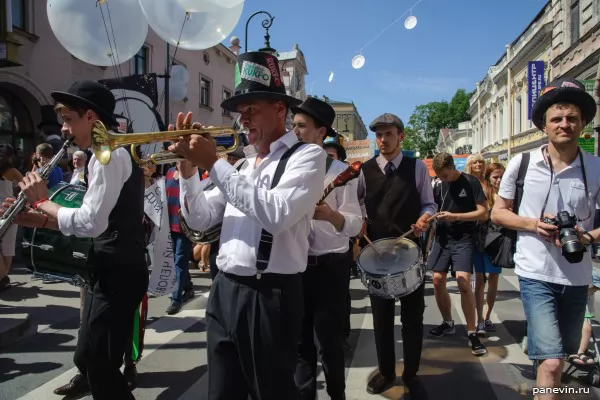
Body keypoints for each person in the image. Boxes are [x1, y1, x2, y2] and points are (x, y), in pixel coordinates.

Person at [169, 51, 326, 400]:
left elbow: (277, 214)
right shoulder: (242, 166)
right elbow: (200, 220)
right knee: (222, 393)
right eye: (240, 114)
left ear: (280, 109)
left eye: (251, 110)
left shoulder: (307, 156)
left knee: (271, 393)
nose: (243, 121)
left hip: (270, 294)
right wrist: (189, 171)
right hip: (225, 289)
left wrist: (213, 161)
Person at [4, 80, 148, 399]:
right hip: (106, 266)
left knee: (102, 365)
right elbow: (91, 217)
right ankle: (87, 381)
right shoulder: (101, 154)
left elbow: (91, 222)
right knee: (89, 353)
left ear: (91, 118)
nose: (65, 130)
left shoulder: (109, 155)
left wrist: (42, 201)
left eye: (69, 119)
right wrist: (40, 219)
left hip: (120, 270)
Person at [492, 78, 600, 400]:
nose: (564, 124)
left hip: (577, 276)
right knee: (552, 363)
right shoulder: (521, 163)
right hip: (535, 272)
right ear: (544, 125)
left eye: (572, 118)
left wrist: (587, 236)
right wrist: (532, 224)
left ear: (583, 124)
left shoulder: (595, 167)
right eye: (556, 118)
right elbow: (498, 213)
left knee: (561, 356)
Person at [358, 113, 436, 398]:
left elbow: (429, 203)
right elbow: (356, 207)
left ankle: (411, 373)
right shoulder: (364, 169)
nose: (383, 140)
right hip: (377, 255)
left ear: (401, 136)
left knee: (413, 319)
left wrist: (424, 218)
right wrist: (359, 223)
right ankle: (387, 371)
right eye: (378, 135)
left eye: (389, 134)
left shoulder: (416, 168)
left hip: (409, 255)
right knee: (381, 319)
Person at [291, 97, 362, 400]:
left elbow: (356, 224)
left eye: (302, 127)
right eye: (293, 125)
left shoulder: (340, 171)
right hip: (294, 266)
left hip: (330, 267)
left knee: (330, 343)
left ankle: (336, 394)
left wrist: (332, 216)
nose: (295, 132)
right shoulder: (287, 167)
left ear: (321, 132)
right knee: (299, 343)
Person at [428, 153, 488, 356]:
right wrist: (424, 221)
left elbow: (483, 212)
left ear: (453, 167)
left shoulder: (470, 182)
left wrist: (456, 216)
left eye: (445, 175)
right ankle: (447, 322)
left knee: (463, 282)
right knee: (437, 280)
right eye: (439, 176)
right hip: (443, 238)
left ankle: (472, 332)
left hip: (464, 238)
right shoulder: (437, 184)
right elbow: (431, 208)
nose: (442, 179)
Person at [474, 162, 505, 334]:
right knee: (479, 280)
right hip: (480, 240)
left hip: (498, 242)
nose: (499, 181)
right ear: (488, 177)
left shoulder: (506, 194)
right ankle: (479, 319)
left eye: (501, 177)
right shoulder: (482, 192)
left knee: (493, 278)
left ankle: (487, 316)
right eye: (495, 177)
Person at [164, 164, 195, 315]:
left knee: (179, 262)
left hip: (185, 226)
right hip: (170, 225)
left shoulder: (192, 171)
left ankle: (176, 300)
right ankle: (188, 288)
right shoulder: (169, 172)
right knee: (178, 262)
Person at [0, 143, 23, 291]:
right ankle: (3, 277)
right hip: (8, 210)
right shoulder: (12, 171)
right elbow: (27, 185)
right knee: (8, 246)